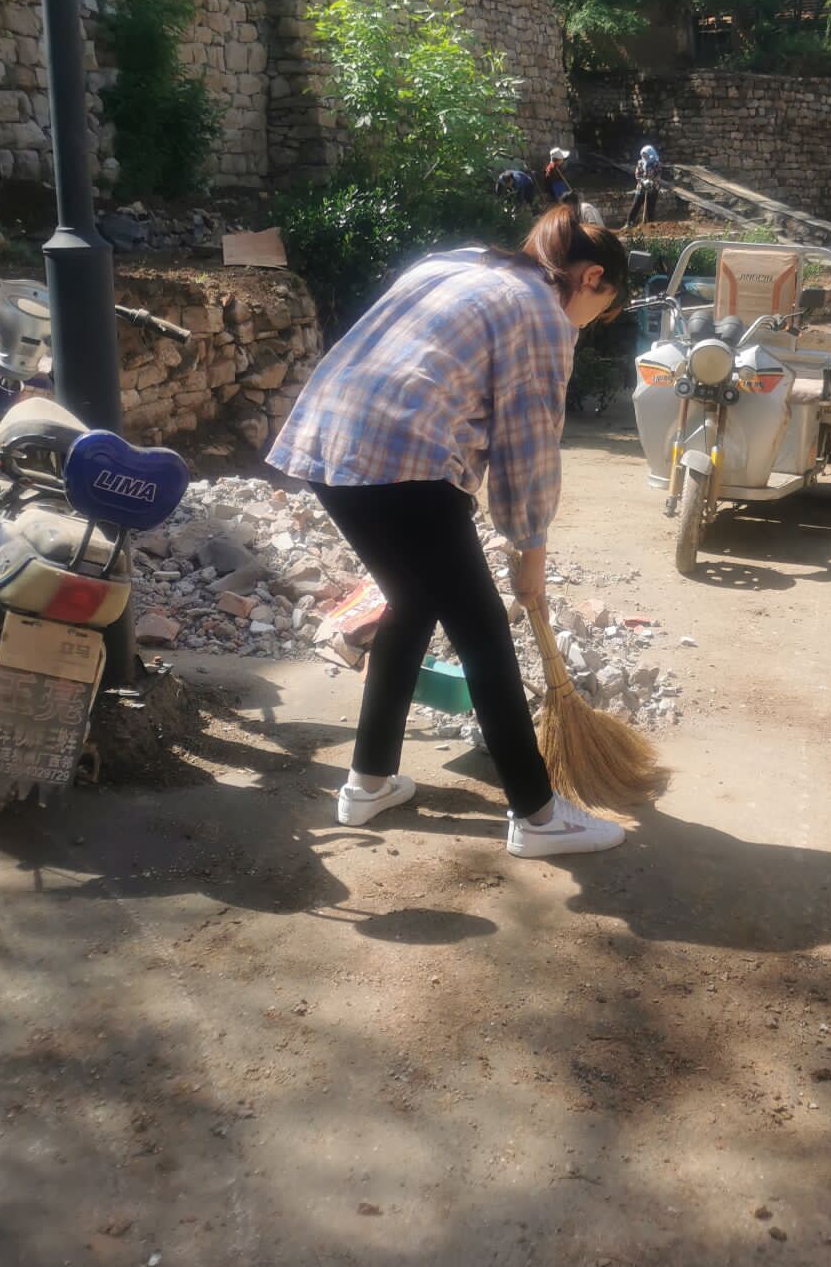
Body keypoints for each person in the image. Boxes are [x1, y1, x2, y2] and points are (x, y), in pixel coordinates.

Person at [267, 206, 631, 857]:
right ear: (592, 278)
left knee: (411, 602)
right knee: (482, 627)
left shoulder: (461, 262)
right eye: (601, 311)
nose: (590, 324)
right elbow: (528, 446)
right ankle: (537, 816)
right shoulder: (541, 312)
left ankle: (368, 781)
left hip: (328, 444)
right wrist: (531, 550)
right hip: (404, 459)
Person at [627, 144, 662, 227]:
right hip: (641, 188)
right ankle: (629, 223)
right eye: (643, 155)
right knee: (636, 205)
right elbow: (637, 174)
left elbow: (658, 175)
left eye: (645, 155)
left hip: (653, 188)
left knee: (650, 208)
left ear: (650, 154)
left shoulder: (656, 163)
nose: (644, 157)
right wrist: (643, 181)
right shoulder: (640, 163)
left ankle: (650, 225)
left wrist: (651, 182)